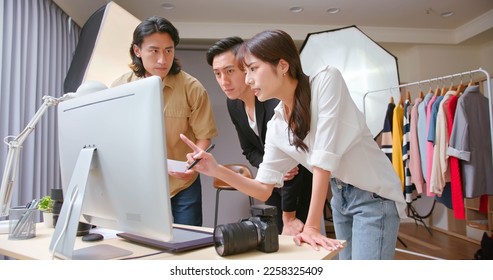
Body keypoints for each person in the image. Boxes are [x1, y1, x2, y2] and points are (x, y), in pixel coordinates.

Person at [181, 30, 407, 259]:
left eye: (253, 68)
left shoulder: (326, 80)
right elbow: (262, 187)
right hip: (340, 198)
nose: (248, 79)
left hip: (373, 196)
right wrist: (215, 169)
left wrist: (310, 226)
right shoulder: (277, 125)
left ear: (282, 65)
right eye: (246, 71)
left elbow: (324, 157)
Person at [112, 16, 218, 226]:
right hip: (137, 183)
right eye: (154, 50)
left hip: (182, 182)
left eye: (169, 50)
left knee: (188, 243)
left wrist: (193, 165)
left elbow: (203, 136)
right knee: (140, 242)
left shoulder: (192, 88)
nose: (163, 59)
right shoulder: (119, 88)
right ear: (137, 51)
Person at [205, 37, 313, 235]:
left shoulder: (273, 100)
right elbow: (249, 149)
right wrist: (272, 167)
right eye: (217, 74)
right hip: (270, 180)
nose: (223, 81)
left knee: (299, 241)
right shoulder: (234, 104)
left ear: (246, 68)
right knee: (274, 239)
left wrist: (289, 214)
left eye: (229, 71)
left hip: (299, 185)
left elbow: (293, 168)